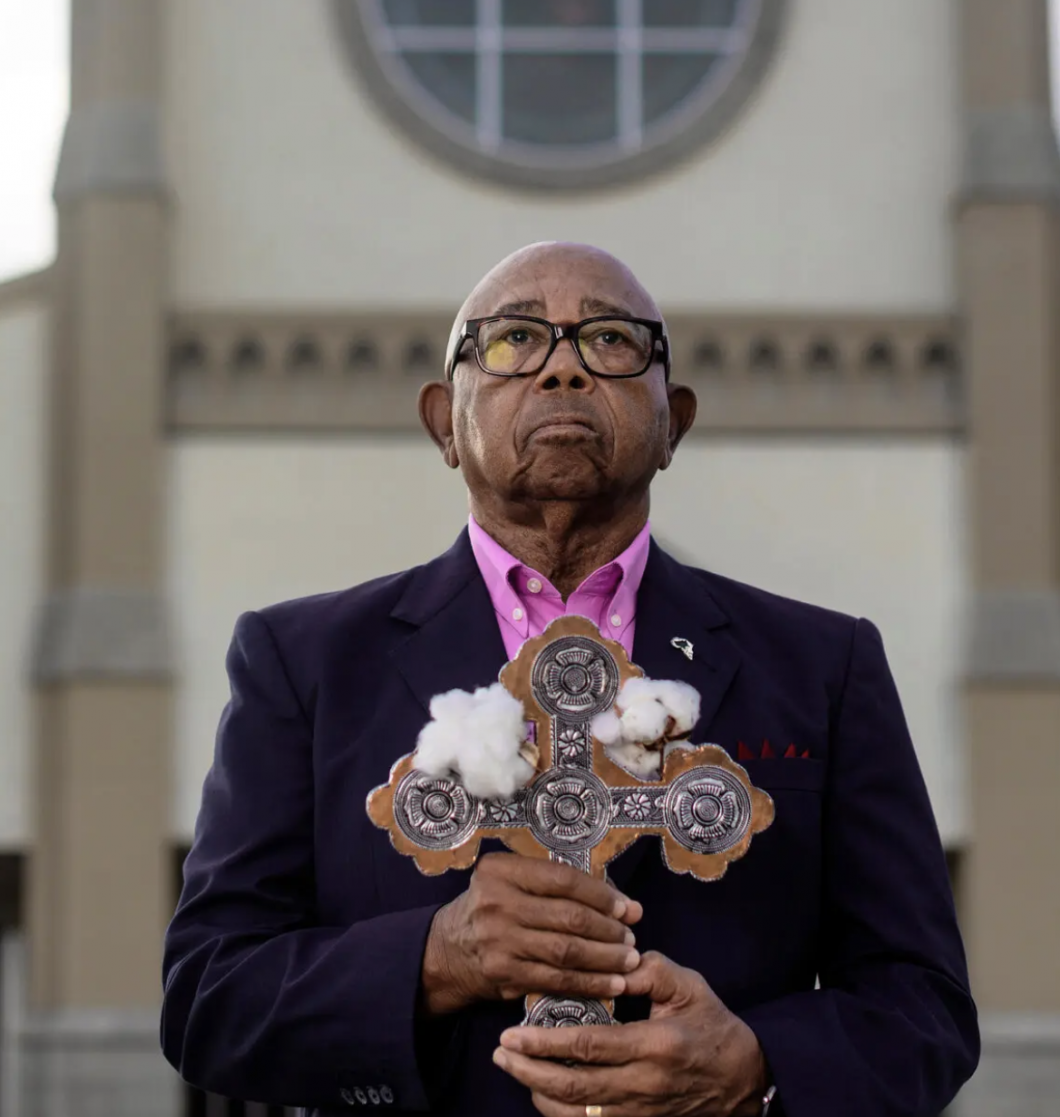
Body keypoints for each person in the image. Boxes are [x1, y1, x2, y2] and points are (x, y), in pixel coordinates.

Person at [161, 243, 979, 1117]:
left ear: (675, 423)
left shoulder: (822, 668)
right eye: (512, 342)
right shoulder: (309, 663)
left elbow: (922, 1005)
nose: (562, 368)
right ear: (444, 421)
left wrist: (756, 1066)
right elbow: (211, 994)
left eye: (612, 341)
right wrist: (436, 957)